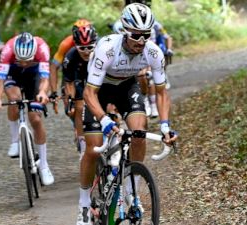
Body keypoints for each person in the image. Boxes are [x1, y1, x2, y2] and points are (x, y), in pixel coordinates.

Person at [76, 3, 177, 225]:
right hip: (99, 89)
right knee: (93, 149)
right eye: (136, 36)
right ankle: (83, 204)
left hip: (127, 87)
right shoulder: (107, 48)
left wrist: (165, 127)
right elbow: (89, 92)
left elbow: (161, 93)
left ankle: (131, 190)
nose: (141, 41)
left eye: (146, 35)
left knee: (139, 132)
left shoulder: (153, 52)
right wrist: (103, 120)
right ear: (124, 30)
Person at [0, 32, 54, 185]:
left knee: (36, 119)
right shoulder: (8, 50)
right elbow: (0, 80)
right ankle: (15, 141)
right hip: (14, 73)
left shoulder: (42, 48)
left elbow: (45, 79)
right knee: (14, 98)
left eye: (28, 60)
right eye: (21, 60)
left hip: (35, 76)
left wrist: (42, 92)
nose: (24, 63)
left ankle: (44, 166)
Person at [62, 24, 98, 160]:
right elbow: (69, 82)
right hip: (79, 79)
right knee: (79, 107)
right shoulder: (70, 56)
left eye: (90, 47)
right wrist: (70, 100)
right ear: (75, 45)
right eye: (82, 48)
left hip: (99, 77)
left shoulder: (103, 51)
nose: (86, 51)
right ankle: (83, 143)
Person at [49, 19, 92, 107]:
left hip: (88, 67)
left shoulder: (96, 42)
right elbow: (54, 67)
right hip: (70, 68)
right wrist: (54, 92)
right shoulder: (66, 44)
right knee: (70, 105)